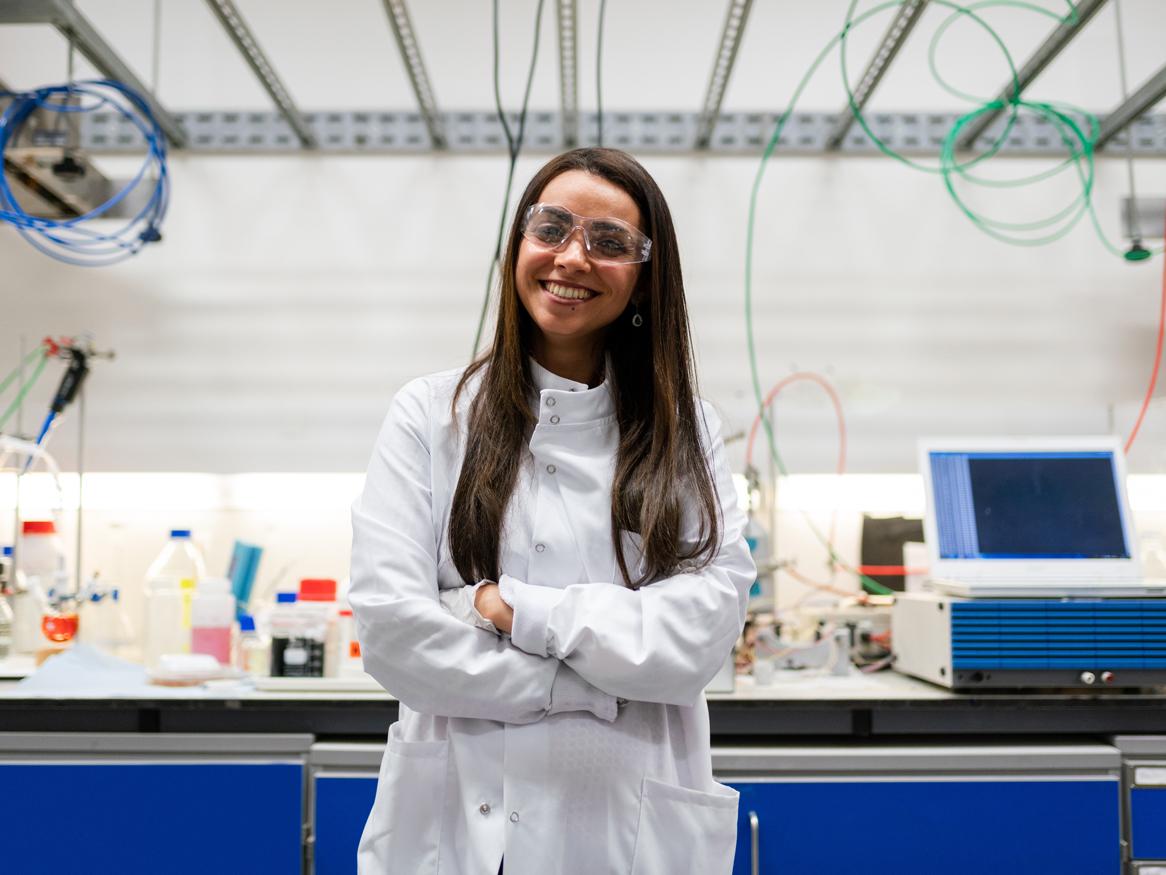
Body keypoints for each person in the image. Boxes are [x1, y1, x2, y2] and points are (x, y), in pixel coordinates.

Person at [349, 147, 755, 875]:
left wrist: (507, 609)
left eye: (609, 243)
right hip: (456, 829)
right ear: (518, 247)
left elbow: (696, 640)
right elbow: (393, 630)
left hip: (625, 833)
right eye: (552, 228)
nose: (573, 257)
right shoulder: (431, 416)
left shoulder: (687, 433)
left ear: (642, 278)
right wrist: (585, 686)